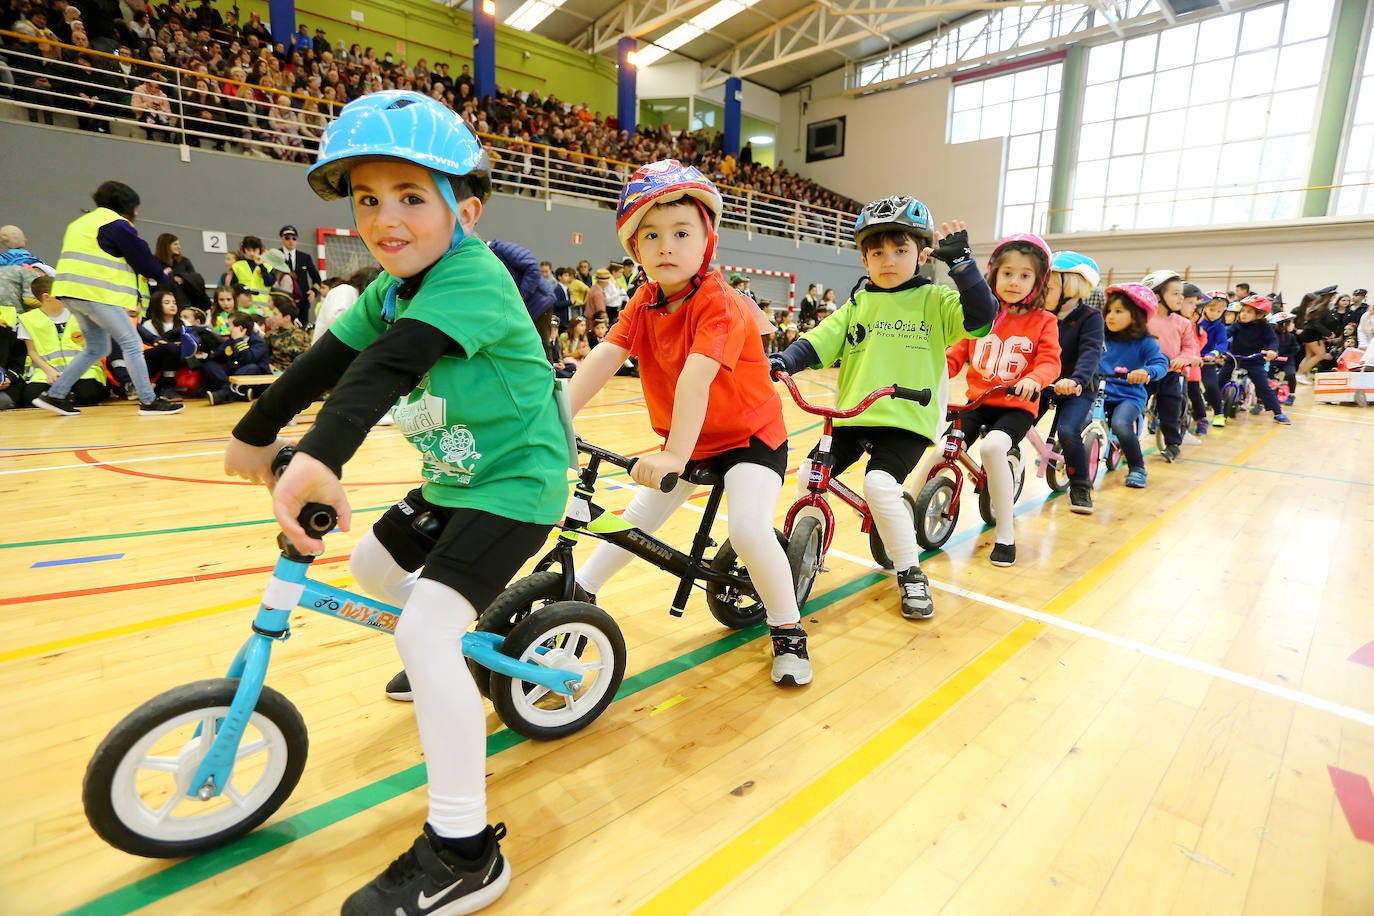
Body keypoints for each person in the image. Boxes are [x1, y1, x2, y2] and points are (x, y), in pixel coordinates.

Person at [224, 90, 566, 915]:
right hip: (453, 479)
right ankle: (461, 649)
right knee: (376, 565)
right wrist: (254, 430)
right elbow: (329, 361)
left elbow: (385, 371)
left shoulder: (474, 280)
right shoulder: (388, 288)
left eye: (412, 197)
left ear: (465, 211)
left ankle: (465, 851)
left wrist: (316, 456)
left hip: (516, 484)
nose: (386, 219)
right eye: (368, 199)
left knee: (421, 629)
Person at [566, 159, 810, 686]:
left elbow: (695, 381)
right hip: (691, 441)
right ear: (635, 249)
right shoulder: (644, 300)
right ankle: (582, 590)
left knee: (747, 529)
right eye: (650, 236)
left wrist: (675, 455)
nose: (665, 246)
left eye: (681, 232)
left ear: (708, 241)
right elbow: (603, 359)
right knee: (636, 519)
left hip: (750, 438)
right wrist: (555, 418)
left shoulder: (720, 303)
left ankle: (789, 630)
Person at [770, 196, 996, 617]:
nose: (888, 260)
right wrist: (785, 360)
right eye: (877, 252)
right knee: (808, 475)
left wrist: (964, 267)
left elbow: (981, 319)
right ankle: (809, 542)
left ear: (921, 254)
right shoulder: (859, 303)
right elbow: (820, 340)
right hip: (854, 414)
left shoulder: (935, 300)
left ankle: (910, 573)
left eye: (900, 250)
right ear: (864, 257)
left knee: (878, 486)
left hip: (908, 417)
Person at [945, 233, 1062, 567]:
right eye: (1007, 273)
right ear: (993, 274)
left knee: (993, 448)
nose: (1014, 281)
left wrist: (1033, 379)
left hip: (1016, 407)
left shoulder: (1044, 321)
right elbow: (957, 353)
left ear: (1038, 282)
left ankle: (1006, 533)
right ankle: (908, 509)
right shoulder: (981, 317)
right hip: (976, 400)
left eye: (1025, 275)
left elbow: (1050, 361)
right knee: (943, 448)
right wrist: (937, 367)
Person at [33, 180, 182, 416]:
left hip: (69, 291)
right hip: (94, 293)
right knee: (132, 343)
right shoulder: (117, 224)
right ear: (128, 205)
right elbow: (141, 257)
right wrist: (163, 275)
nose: (138, 212)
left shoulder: (80, 223)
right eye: (136, 207)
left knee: (96, 347)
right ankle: (148, 401)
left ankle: (55, 394)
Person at [1041, 251, 1105, 514]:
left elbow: (1091, 353)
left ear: (1071, 287)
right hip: (1044, 382)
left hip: (1079, 386)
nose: (1041, 291)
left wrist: (1077, 380)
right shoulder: (1041, 316)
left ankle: (1080, 485)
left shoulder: (1090, 318)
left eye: (1049, 286)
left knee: (1068, 432)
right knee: (1014, 424)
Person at [1098, 284, 1169, 489]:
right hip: (1099, 391)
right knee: (1079, 419)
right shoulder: (1099, 336)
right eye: (1108, 311)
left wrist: (1146, 372)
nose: (1110, 316)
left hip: (1128, 395)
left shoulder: (1145, 342)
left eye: (1118, 311)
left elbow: (1160, 363)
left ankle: (1137, 467)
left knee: (1121, 424)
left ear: (1136, 315)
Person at [20, 274, 108, 407]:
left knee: (89, 395)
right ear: (46, 297)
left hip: (82, 369)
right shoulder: (27, 320)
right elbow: (32, 352)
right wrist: (50, 372)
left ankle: (64, 395)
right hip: (47, 372)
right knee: (31, 397)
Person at [1141, 269, 1198, 462]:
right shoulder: (1142, 319)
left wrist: (1183, 358)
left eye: (1182, 294)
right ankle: (1124, 441)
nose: (1181, 298)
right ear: (1156, 297)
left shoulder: (1182, 323)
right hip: (1144, 374)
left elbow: (1190, 348)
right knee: (1133, 407)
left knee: (1170, 410)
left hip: (1170, 374)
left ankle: (1173, 444)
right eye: (1175, 293)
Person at [1221, 295, 1290, 425]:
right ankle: (1209, 402)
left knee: (1263, 386)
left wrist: (1272, 350)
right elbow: (1225, 335)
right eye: (1242, 311)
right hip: (1234, 358)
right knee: (1220, 379)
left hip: (1254, 360)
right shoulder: (1237, 325)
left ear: (1259, 315)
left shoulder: (1265, 328)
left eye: (1248, 312)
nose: (1243, 315)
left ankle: (1278, 412)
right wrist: (1218, 347)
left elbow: (1272, 340)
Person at [140, 289, 186, 398]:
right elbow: (154, 347)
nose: (172, 305)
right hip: (154, 361)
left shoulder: (184, 323)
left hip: (179, 357)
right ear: (157, 305)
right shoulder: (148, 325)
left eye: (174, 302)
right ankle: (166, 388)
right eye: (167, 303)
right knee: (170, 349)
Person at [1198, 291, 1230, 428]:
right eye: (1212, 310)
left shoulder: (1219, 327)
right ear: (1204, 307)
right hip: (1189, 358)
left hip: (1207, 360)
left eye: (1219, 311)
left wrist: (1214, 353)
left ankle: (1219, 413)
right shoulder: (1195, 321)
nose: (1215, 314)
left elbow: (1223, 343)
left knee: (1211, 386)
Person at [277, 225, 321, 321]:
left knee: (302, 329)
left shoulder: (305, 257)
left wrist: (314, 291)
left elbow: (317, 278)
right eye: (287, 238)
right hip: (282, 301)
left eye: (294, 238)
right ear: (282, 238)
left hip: (302, 302)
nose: (291, 241)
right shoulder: (276, 255)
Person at [231, 235, 276, 316]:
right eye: (248, 250)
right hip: (244, 308)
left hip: (264, 308)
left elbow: (269, 282)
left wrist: (261, 266)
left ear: (260, 250)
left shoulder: (268, 266)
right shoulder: (238, 266)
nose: (251, 253)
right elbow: (233, 287)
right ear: (243, 250)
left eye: (254, 250)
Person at [264, 292, 310, 370]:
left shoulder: (302, 335)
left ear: (287, 318)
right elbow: (264, 355)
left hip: (295, 372)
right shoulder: (271, 334)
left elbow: (306, 358)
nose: (272, 317)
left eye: (275, 314)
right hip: (273, 371)